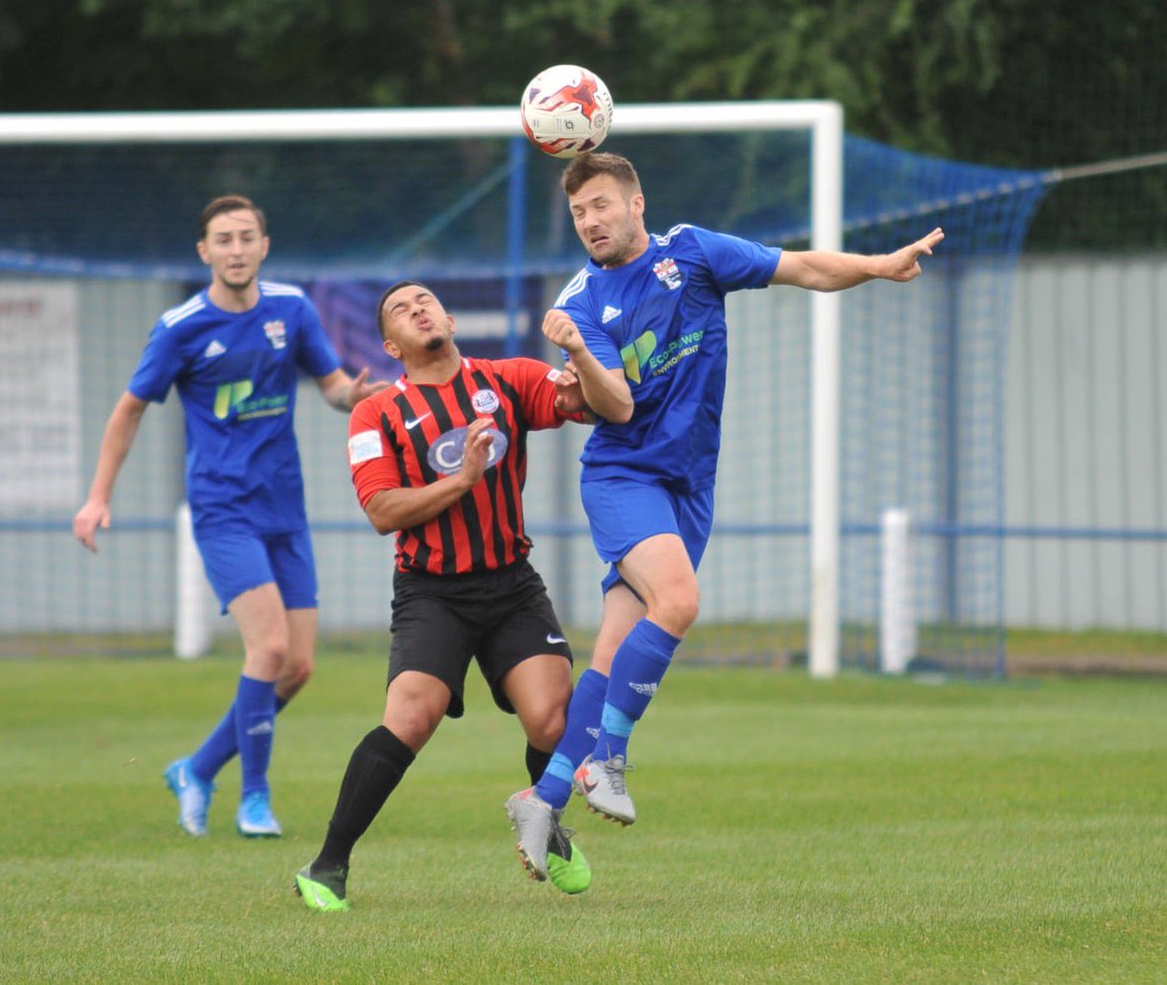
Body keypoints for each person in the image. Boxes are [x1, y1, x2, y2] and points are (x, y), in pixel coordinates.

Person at [505, 152, 945, 843]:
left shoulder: (694, 252)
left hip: (688, 485)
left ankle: (545, 796)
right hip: (625, 477)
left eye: (601, 205)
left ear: (635, 202)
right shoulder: (578, 306)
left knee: (612, 653)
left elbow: (801, 268)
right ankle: (607, 760)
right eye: (578, 212)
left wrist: (878, 266)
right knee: (678, 602)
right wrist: (582, 356)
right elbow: (615, 406)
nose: (590, 221)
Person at [72, 194, 389, 839]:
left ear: (264, 246)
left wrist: (350, 396)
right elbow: (129, 410)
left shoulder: (292, 309)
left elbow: (329, 385)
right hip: (221, 510)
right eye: (224, 239)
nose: (236, 249)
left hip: (285, 510)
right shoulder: (180, 326)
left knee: (298, 667)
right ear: (205, 252)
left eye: (247, 237)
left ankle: (197, 767)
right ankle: (254, 798)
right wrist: (98, 496)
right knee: (268, 647)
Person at [293, 280, 593, 911]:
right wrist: (462, 480)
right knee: (409, 720)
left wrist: (582, 371)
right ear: (389, 345)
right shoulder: (375, 412)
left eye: (426, 300)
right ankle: (327, 865)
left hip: (511, 583)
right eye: (401, 309)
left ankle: (544, 825)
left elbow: (587, 406)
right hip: (432, 591)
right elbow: (381, 510)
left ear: (450, 317)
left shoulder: (507, 379)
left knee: (553, 719)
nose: (418, 308)